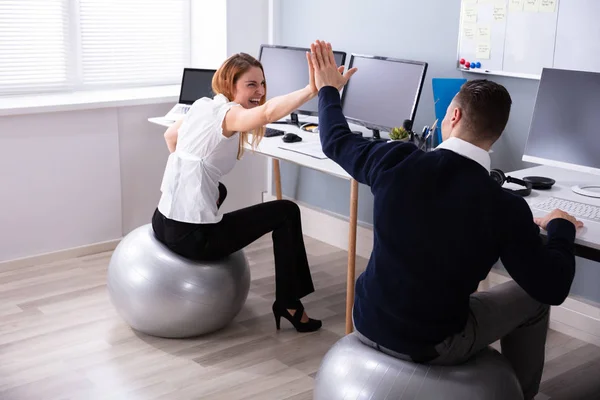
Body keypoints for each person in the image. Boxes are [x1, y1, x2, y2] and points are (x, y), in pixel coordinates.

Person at [309, 40, 583, 400]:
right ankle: (522, 393)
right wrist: (560, 229)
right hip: (434, 344)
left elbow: (334, 139)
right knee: (531, 299)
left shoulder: (394, 160)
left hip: (367, 320)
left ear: (453, 117)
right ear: (496, 136)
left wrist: (329, 88)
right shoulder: (503, 207)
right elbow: (551, 287)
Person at [152, 51, 323, 332]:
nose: (261, 91)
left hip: (163, 221)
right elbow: (267, 113)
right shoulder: (230, 114)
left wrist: (194, 185)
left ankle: (289, 301)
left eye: (263, 83)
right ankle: (290, 304)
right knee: (286, 212)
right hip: (192, 238)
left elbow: (170, 137)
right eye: (251, 84)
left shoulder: (202, 105)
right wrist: (311, 89)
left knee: (219, 188)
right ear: (231, 85)